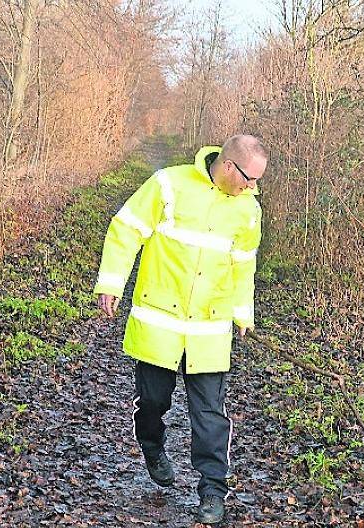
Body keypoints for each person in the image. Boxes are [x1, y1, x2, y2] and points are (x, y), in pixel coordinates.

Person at [93, 135, 267, 524]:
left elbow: (244, 265)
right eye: (249, 178)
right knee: (153, 402)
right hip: (159, 324)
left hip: (209, 330)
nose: (253, 187)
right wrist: (110, 282)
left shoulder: (248, 210)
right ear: (227, 166)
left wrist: (243, 313)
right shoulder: (168, 184)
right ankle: (152, 445)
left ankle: (212, 490)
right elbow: (125, 229)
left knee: (210, 415)